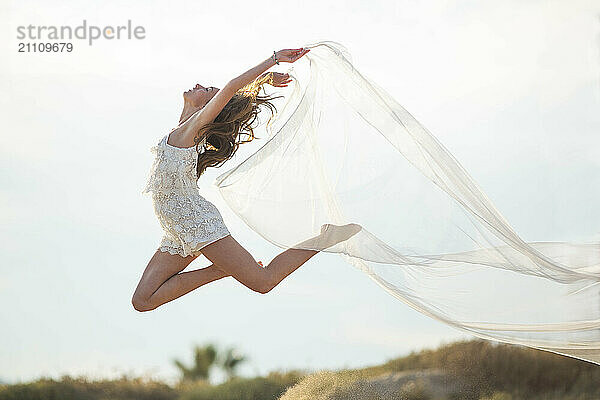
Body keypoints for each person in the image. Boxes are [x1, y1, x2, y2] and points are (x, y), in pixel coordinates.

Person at [132, 47, 361, 312]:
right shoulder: (182, 130)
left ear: (209, 107)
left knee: (263, 282)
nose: (199, 85)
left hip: (194, 222)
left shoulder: (194, 130)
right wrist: (260, 83)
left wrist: (272, 61)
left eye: (206, 90)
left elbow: (230, 88)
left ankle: (326, 237)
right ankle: (221, 269)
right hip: (177, 228)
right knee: (142, 301)